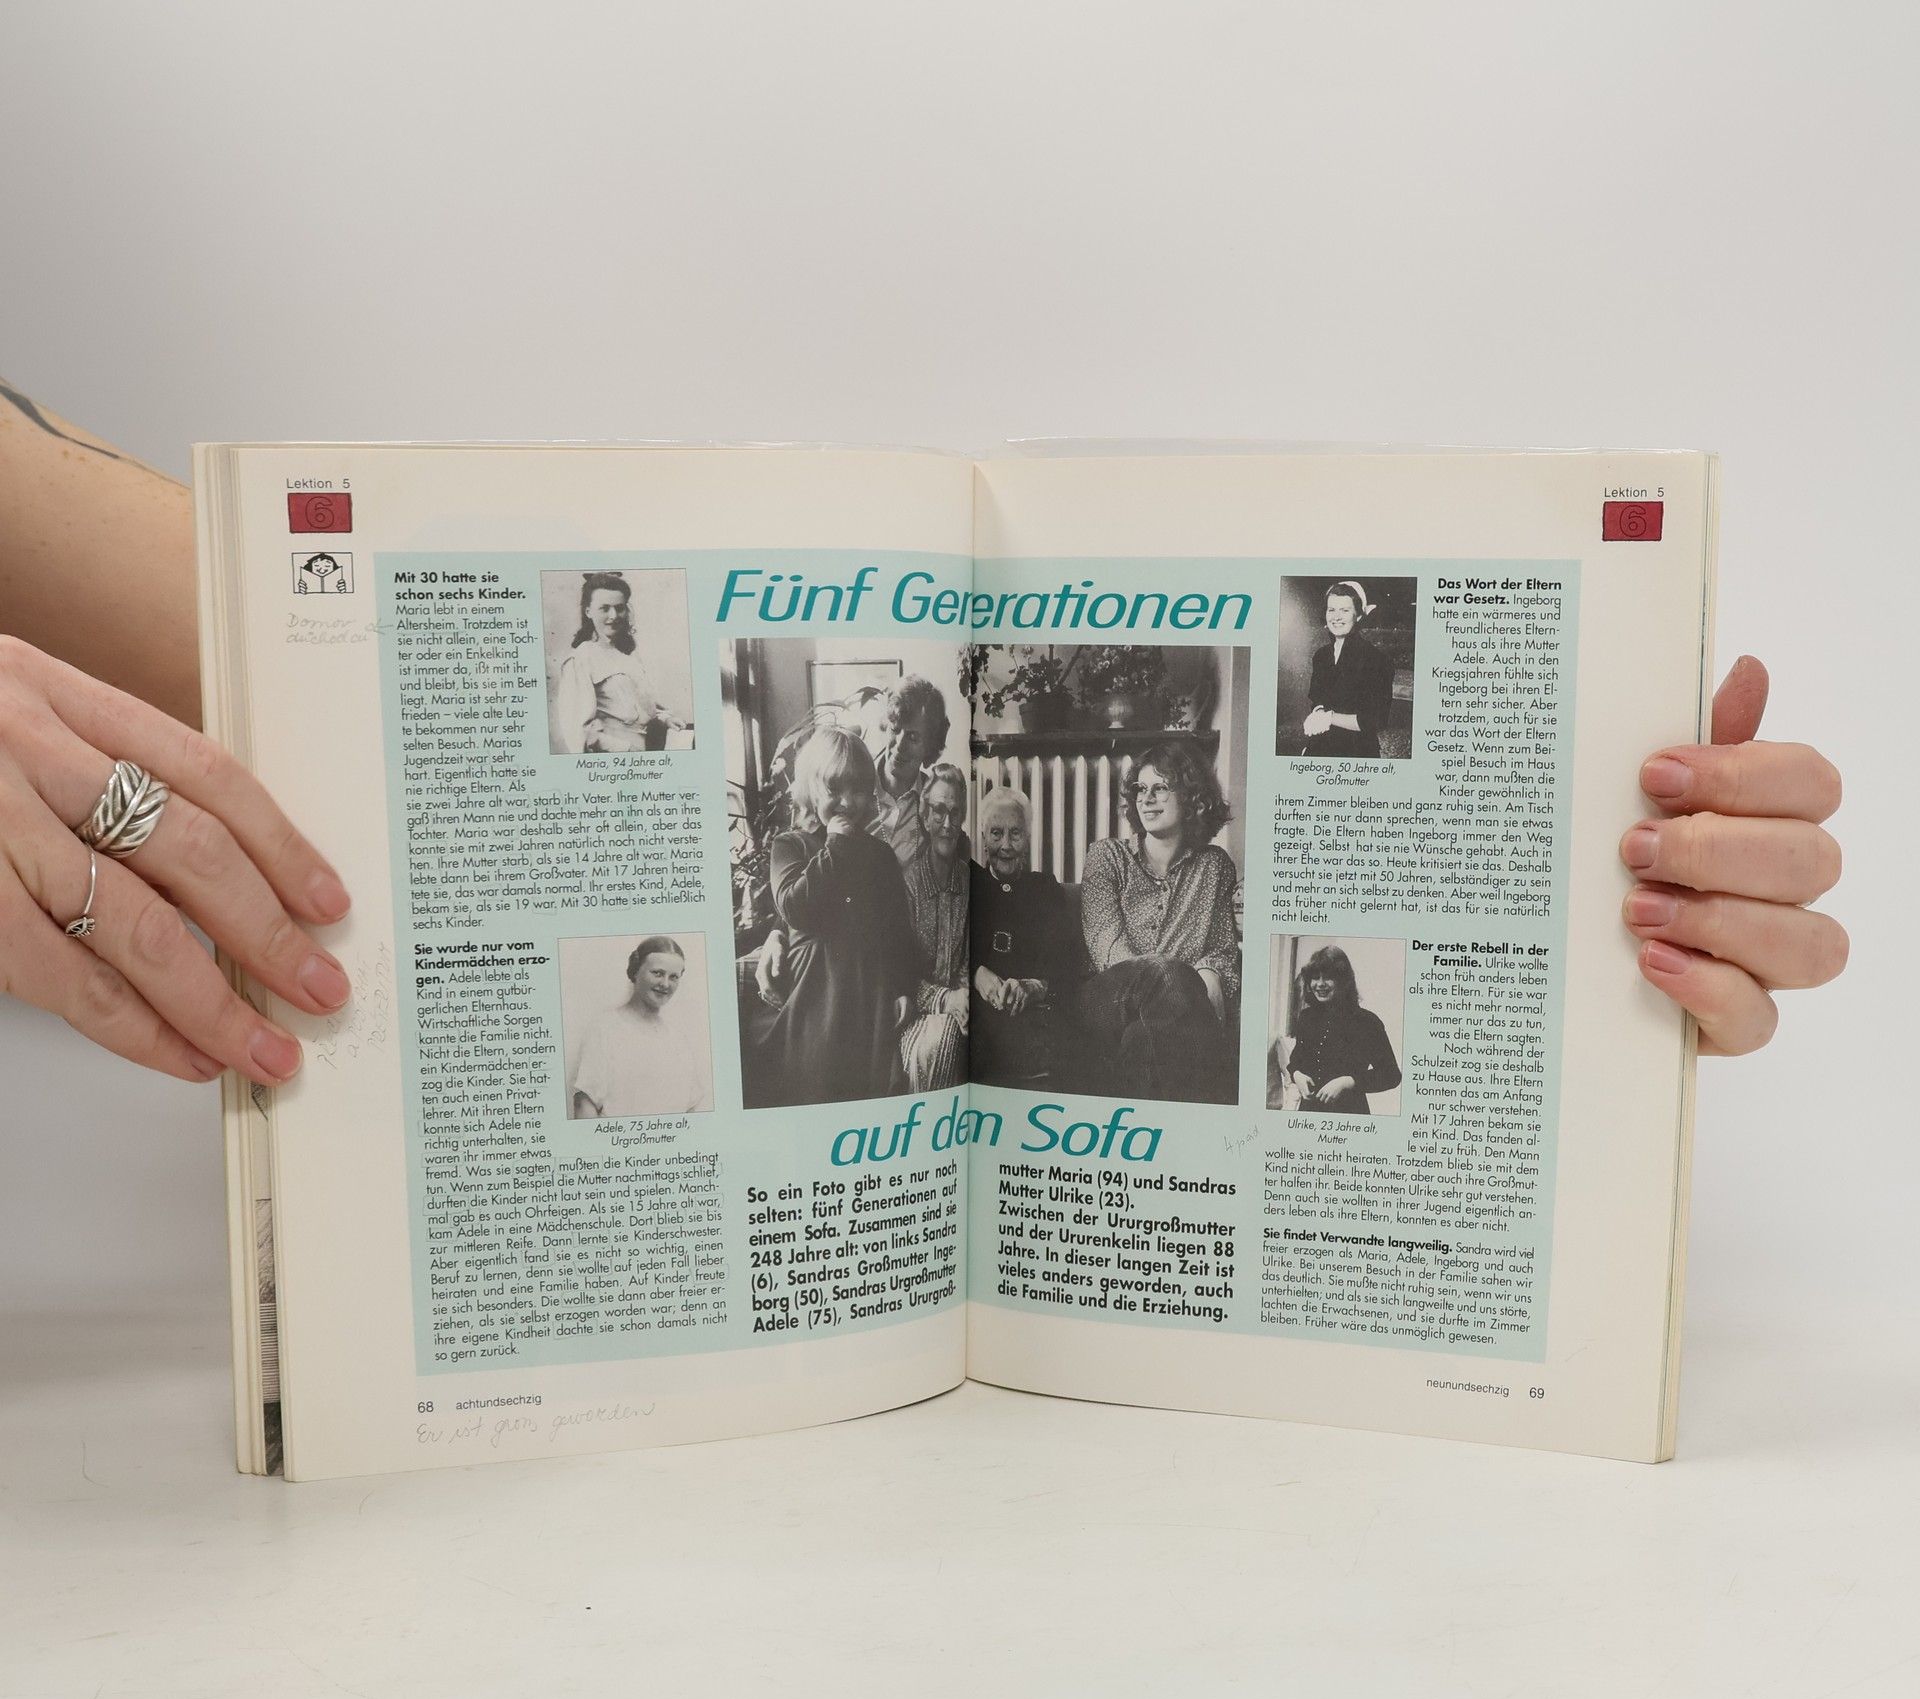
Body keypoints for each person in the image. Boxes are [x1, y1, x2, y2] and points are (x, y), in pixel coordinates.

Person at [0, 381, 1850, 1085]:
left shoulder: (1038, 854)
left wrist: (1579, 833)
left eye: (888, 760)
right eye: (859, 759)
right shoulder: (849, 853)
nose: (880, 773)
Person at [752, 726, 921, 1107]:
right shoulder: (789, 845)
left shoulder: (879, 855)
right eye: (834, 789)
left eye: (858, 789)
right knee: (814, 1078)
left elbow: (897, 931)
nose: (847, 802)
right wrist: (836, 846)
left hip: (866, 989)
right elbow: (795, 908)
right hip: (814, 989)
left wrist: (903, 988)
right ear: (811, 790)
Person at [1076, 738, 1242, 1104]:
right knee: (1170, 975)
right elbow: (1106, 948)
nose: (1147, 798)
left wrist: (1211, 973)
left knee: (1142, 1039)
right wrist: (1178, 980)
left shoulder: (1215, 866)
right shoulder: (1107, 856)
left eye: (1161, 787)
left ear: (1193, 798)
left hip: (1169, 1018)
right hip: (1106, 999)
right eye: (1141, 788)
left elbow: (1221, 949)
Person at [969, 784, 1087, 1089]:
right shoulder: (970, 884)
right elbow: (951, 953)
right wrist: (977, 975)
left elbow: (1068, 964)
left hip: (1038, 1019)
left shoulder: (1045, 889)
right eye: (996, 833)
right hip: (983, 1022)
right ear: (983, 837)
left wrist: (1035, 986)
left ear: (1028, 838)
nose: (1006, 845)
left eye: (1016, 834)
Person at [570, 936, 712, 1119]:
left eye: (673, 977)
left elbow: (690, 1110)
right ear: (635, 971)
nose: (665, 984)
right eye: (657, 973)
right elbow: (584, 1106)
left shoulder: (677, 1038)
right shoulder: (604, 1029)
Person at [552, 571, 688, 753]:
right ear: (588, 611)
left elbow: (640, 708)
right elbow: (577, 731)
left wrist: (665, 718)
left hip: (648, 749)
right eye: (604, 608)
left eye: (619, 608)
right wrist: (626, 749)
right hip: (613, 756)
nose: (614, 615)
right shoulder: (580, 659)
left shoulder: (629, 655)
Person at [897, 763, 970, 1093]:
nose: (948, 824)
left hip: (961, 1008)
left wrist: (964, 998)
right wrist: (946, 1000)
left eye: (955, 813)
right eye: (939, 811)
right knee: (939, 1042)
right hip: (915, 1013)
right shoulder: (908, 885)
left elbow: (969, 960)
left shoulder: (968, 882)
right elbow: (899, 972)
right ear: (925, 818)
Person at [1271, 944, 1402, 1114]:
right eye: (1315, 978)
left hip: (1349, 1114)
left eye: (1327, 978)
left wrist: (1348, 1082)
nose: (1320, 984)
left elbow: (1391, 1075)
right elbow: (1297, 1060)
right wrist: (1297, 1075)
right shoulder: (1307, 1017)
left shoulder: (1367, 1022)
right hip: (1309, 1111)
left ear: (1343, 981)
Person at [1301, 579, 1395, 757]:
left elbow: (1375, 720)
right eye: (1331, 610)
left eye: (1345, 610)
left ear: (1358, 616)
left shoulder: (1376, 659)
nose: (1336, 617)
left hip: (1356, 752)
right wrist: (1318, 712)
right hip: (1319, 748)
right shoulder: (1321, 656)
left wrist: (1329, 717)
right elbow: (1317, 698)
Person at [870, 674, 949, 863]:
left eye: (913, 737)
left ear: (930, 746)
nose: (899, 745)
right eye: (895, 729)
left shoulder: (935, 801)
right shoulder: (854, 787)